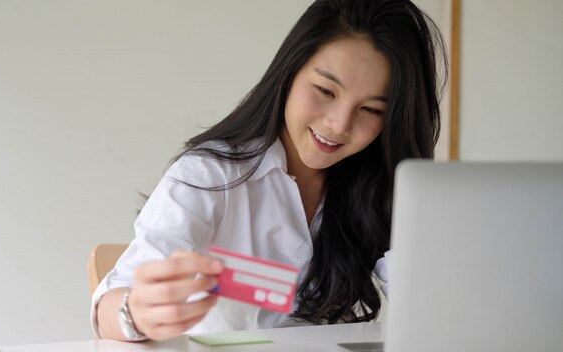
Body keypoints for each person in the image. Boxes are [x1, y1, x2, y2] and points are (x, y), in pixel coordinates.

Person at [93, 0, 447, 342]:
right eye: (325, 90)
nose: (339, 124)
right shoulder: (211, 175)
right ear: (289, 73)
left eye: (371, 109)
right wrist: (135, 311)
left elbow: (432, 309)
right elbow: (110, 305)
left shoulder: (377, 189)